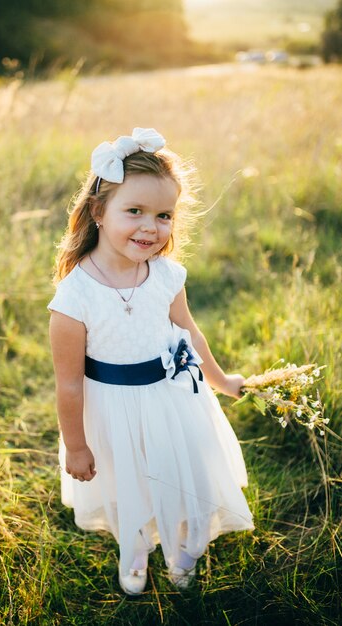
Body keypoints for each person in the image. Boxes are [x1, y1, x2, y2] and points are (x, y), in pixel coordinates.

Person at [47, 127, 254, 595]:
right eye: (134, 211)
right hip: (112, 411)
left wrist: (222, 381)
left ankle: (184, 550)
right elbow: (69, 384)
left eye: (163, 215)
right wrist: (77, 446)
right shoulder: (74, 298)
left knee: (185, 474)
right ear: (98, 212)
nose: (150, 227)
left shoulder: (165, 275)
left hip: (174, 401)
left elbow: (190, 333)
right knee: (129, 485)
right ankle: (135, 551)